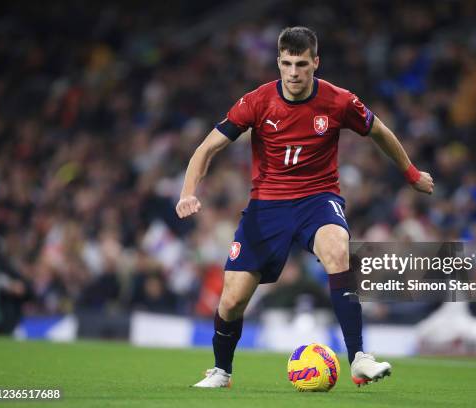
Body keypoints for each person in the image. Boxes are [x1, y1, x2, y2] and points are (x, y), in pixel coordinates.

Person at [176, 26, 434, 388]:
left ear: (316, 63)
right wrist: (188, 191)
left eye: (301, 64)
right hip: (267, 206)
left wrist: (410, 173)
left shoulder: (339, 101)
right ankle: (221, 371)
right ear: (278, 63)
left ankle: (359, 358)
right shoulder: (257, 101)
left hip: (319, 199)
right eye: (286, 63)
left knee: (337, 250)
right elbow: (206, 149)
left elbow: (380, 132)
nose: (293, 72)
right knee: (232, 300)